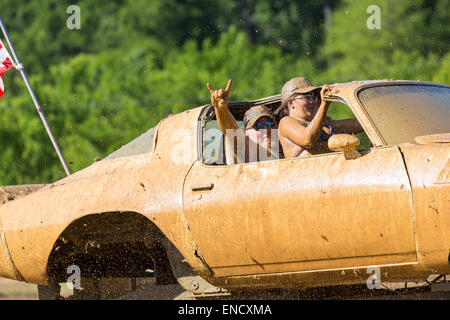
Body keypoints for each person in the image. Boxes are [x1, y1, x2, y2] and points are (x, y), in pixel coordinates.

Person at [278, 77, 363, 158]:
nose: (312, 102)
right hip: (307, 172)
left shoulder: (323, 123)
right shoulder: (286, 122)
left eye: (313, 97)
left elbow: (358, 125)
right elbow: (307, 140)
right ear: (291, 104)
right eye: (306, 97)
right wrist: (324, 104)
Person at [207, 79, 279, 163]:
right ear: (246, 133)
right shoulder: (249, 154)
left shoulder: (289, 152)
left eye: (269, 124)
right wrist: (221, 110)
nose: (266, 130)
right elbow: (232, 131)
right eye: (258, 126)